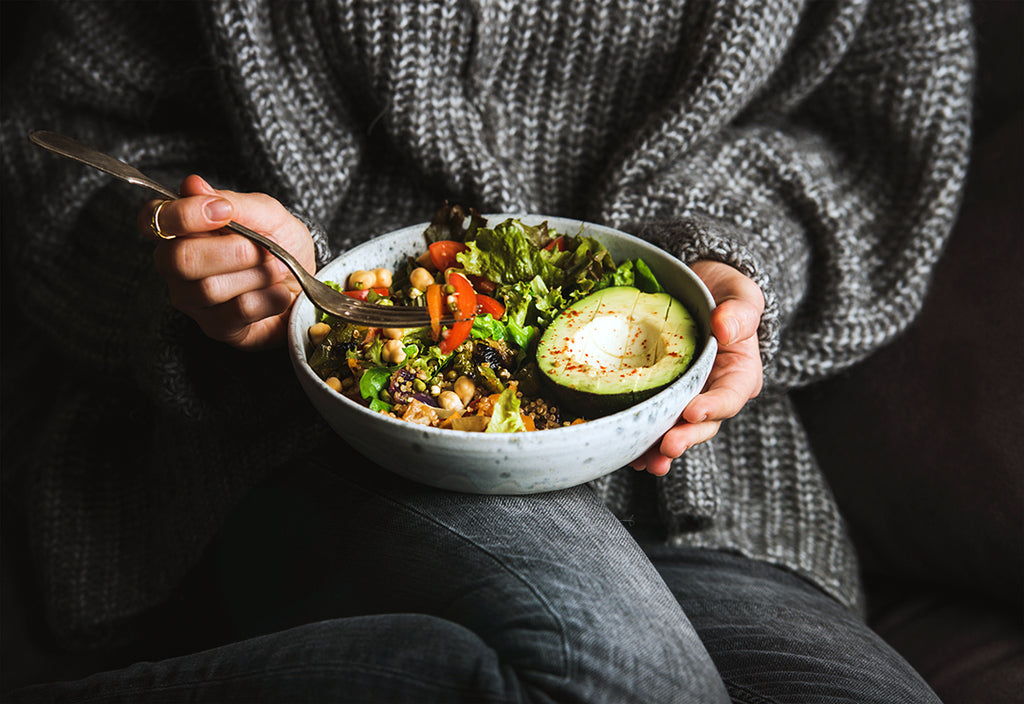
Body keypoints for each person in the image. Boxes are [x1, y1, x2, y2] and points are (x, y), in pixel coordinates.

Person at [0, 0, 973, 701]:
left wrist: (734, 266)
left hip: (704, 474)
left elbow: (869, 135)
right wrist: (200, 262)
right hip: (318, 433)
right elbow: (63, 138)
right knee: (619, 680)